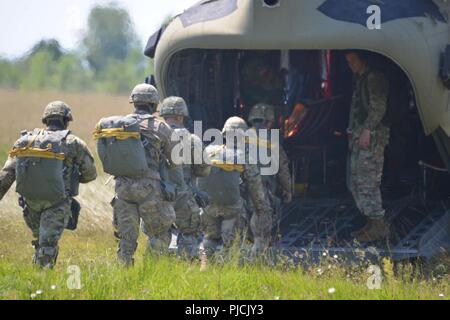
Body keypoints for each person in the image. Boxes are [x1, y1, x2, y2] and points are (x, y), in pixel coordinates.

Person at [0, 101, 97, 268]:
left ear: (45, 120)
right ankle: (42, 280)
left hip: (29, 203)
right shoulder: (73, 143)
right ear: (66, 120)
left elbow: (7, 174)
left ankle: (36, 279)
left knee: (41, 242)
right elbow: (91, 173)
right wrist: (71, 178)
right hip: (57, 203)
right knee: (48, 245)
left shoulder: (25, 141)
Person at [110, 84, 177, 266]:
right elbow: (175, 159)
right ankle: (151, 271)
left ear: (134, 101)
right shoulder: (161, 128)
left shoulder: (118, 125)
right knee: (159, 233)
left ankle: (123, 273)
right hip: (149, 189)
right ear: (154, 103)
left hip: (122, 188)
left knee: (126, 237)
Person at [198, 117, 273, 258]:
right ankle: (227, 269)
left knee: (210, 238)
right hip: (232, 208)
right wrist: (261, 209)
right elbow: (255, 188)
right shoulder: (244, 157)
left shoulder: (208, 151)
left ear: (224, 134)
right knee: (231, 242)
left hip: (208, 207)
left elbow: (197, 176)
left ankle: (206, 266)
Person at [345, 51, 391, 242]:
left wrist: (367, 130)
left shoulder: (374, 78)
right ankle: (370, 223)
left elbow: (378, 107)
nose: (350, 65)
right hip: (360, 136)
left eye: (352, 61)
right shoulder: (361, 79)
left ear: (362, 59)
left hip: (372, 137)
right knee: (356, 180)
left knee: (368, 182)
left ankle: (379, 226)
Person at [158, 96, 210, 258]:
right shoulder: (192, 139)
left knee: (157, 237)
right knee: (189, 235)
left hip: (158, 197)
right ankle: (186, 270)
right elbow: (203, 170)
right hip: (184, 197)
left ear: (164, 116)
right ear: (181, 117)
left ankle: (154, 268)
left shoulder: (155, 137)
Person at [245, 103, 292, 241]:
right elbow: (282, 168)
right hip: (263, 190)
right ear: (269, 122)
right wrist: (288, 190)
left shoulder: (240, 136)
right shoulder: (273, 140)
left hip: (241, 190)